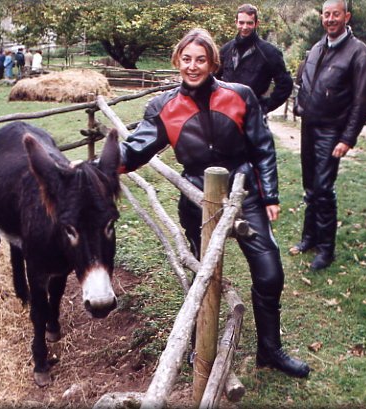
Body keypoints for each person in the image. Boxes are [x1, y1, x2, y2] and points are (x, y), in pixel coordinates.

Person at [118, 28, 310, 378]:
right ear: (177, 61)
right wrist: (100, 164)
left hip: (243, 193)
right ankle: (199, 345)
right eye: (186, 59)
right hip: (197, 199)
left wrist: (270, 196)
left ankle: (270, 350)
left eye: (201, 60)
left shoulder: (240, 95)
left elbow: (262, 148)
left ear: (212, 63)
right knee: (202, 277)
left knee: (270, 274)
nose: (193, 66)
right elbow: (134, 151)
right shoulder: (163, 107)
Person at [292, 0, 366, 270]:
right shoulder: (318, 47)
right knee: (310, 186)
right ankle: (309, 238)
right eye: (326, 14)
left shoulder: (359, 53)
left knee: (323, 188)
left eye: (335, 14)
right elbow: (306, 81)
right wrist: (300, 106)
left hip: (332, 129)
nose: (330, 19)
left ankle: (326, 250)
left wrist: (347, 138)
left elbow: (363, 101)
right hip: (309, 126)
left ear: (346, 17)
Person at [216, 3, 293, 115]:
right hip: (226, 113)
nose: (245, 27)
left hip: (252, 115)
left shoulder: (269, 52)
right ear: (236, 22)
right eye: (241, 22)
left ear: (256, 23)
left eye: (249, 23)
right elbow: (213, 78)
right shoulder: (226, 50)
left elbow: (285, 83)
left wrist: (265, 106)